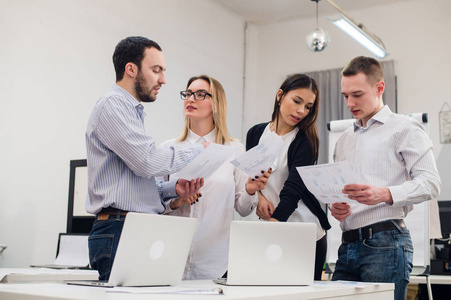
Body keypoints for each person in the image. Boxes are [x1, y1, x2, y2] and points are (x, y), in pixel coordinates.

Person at [85, 36, 207, 280]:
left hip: (133, 226)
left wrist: (173, 187)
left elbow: (133, 180)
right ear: (131, 69)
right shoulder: (113, 105)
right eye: (156, 70)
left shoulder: (131, 111)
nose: (163, 79)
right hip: (120, 228)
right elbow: (147, 162)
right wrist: (200, 148)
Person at [330, 56, 441, 300]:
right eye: (345, 95)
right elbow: (341, 189)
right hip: (346, 245)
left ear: (379, 88)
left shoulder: (406, 128)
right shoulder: (344, 138)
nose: (350, 102)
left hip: (385, 243)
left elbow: (431, 183)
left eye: (357, 94)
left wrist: (384, 193)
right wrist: (336, 207)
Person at [160, 75, 271, 280]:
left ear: (216, 104)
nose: (191, 99)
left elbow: (244, 209)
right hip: (171, 257)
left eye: (200, 94)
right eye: (188, 93)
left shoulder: (234, 150)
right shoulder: (169, 149)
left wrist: (250, 189)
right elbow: (154, 203)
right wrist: (177, 201)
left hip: (215, 262)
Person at [246, 74, 331, 281]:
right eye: (297, 101)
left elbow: (292, 192)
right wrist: (260, 196)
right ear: (280, 95)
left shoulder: (305, 142)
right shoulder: (255, 133)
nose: (301, 111)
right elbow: (252, 177)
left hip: (304, 232)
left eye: (308, 106)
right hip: (273, 226)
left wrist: (270, 233)